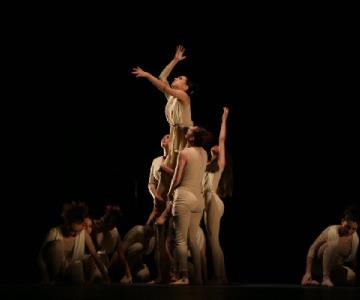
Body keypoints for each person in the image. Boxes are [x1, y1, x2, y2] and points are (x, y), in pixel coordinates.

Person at [167, 126, 210, 285]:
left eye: (188, 132)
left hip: (184, 196)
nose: (185, 133)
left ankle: (184, 276)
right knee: (192, 238)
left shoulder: (184, 153)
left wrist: (169, 192)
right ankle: (197, 277)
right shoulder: (204, 153)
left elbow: (177, 177)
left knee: (180, 239)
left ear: (191, 138)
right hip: (198, 199)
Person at [38, 202, 110, 285]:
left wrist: (106, 277)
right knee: (57, 245)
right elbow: (40, 258)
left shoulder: (83, 233)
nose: (75, 234)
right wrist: (45, 277)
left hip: (69, 269)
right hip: (54, 272)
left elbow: (95, 256)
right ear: (66, 225)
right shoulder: (54, 232)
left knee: (78, 268)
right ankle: (55, 281)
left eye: (78, 232)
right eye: (72, 231)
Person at [202, 107, 231, 284]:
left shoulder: (220, 164)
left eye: (219, 147)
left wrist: (224, 119)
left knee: (213, 239)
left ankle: (221, 276)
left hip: (213, 199)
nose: (215, 146)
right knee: (211, 238)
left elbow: (221, 138)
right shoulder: (204, 163)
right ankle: (219, 275)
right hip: (206, 201)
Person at [301, 206, 359, 287]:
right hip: (319, 265)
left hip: (334, 267)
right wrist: (307, 273)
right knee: (333, 244)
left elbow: (353, 260)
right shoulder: (331, 231)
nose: (349, 231)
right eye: (348, 227)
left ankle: (319, 280)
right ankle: (325, 278)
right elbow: (312, 248)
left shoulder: (355, 239)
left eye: (353, 229)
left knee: (351, 277)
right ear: (342, 221)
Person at [91, 205, 133, 284]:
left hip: (104, 265)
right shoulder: (94, 228)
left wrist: (129, 275)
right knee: (98, 276)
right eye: (110, 222)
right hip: (92, 263)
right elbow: (93, 254)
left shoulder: (114, 232)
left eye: (113, 223)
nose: (111, 225)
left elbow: (122, 257)